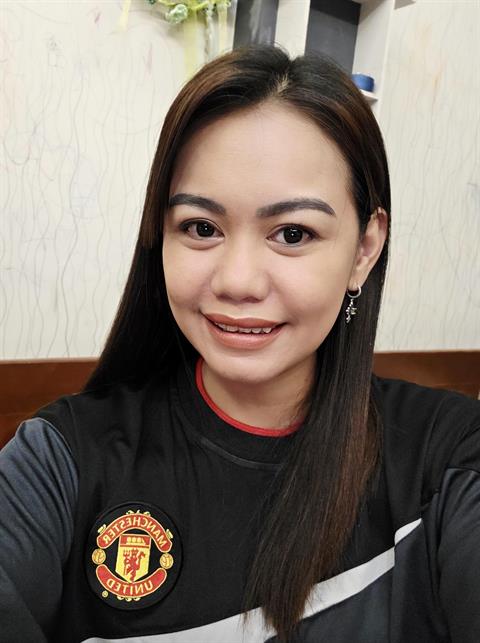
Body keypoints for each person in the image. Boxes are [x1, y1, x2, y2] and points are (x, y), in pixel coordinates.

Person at [0, 43, 479, 643]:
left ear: (364, 248)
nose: (237, 281)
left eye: (293, 233)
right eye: (201, 227)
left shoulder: (449, 454)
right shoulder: (60, 459)